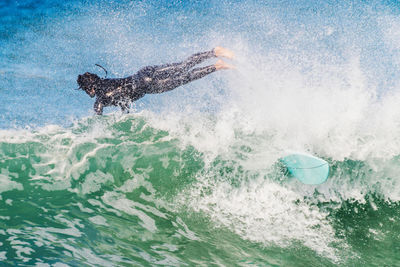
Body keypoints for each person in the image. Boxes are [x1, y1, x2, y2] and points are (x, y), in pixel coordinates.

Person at [77, 47, 234, 115]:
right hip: (143, 73)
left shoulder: (100, 98)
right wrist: (124, 113)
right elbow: (123, 99)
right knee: (182, 66)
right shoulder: (108, 83)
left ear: (89, 88)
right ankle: (214, 53)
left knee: (185, 78)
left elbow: (99, 114)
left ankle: (216, 65)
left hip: (146, 85)